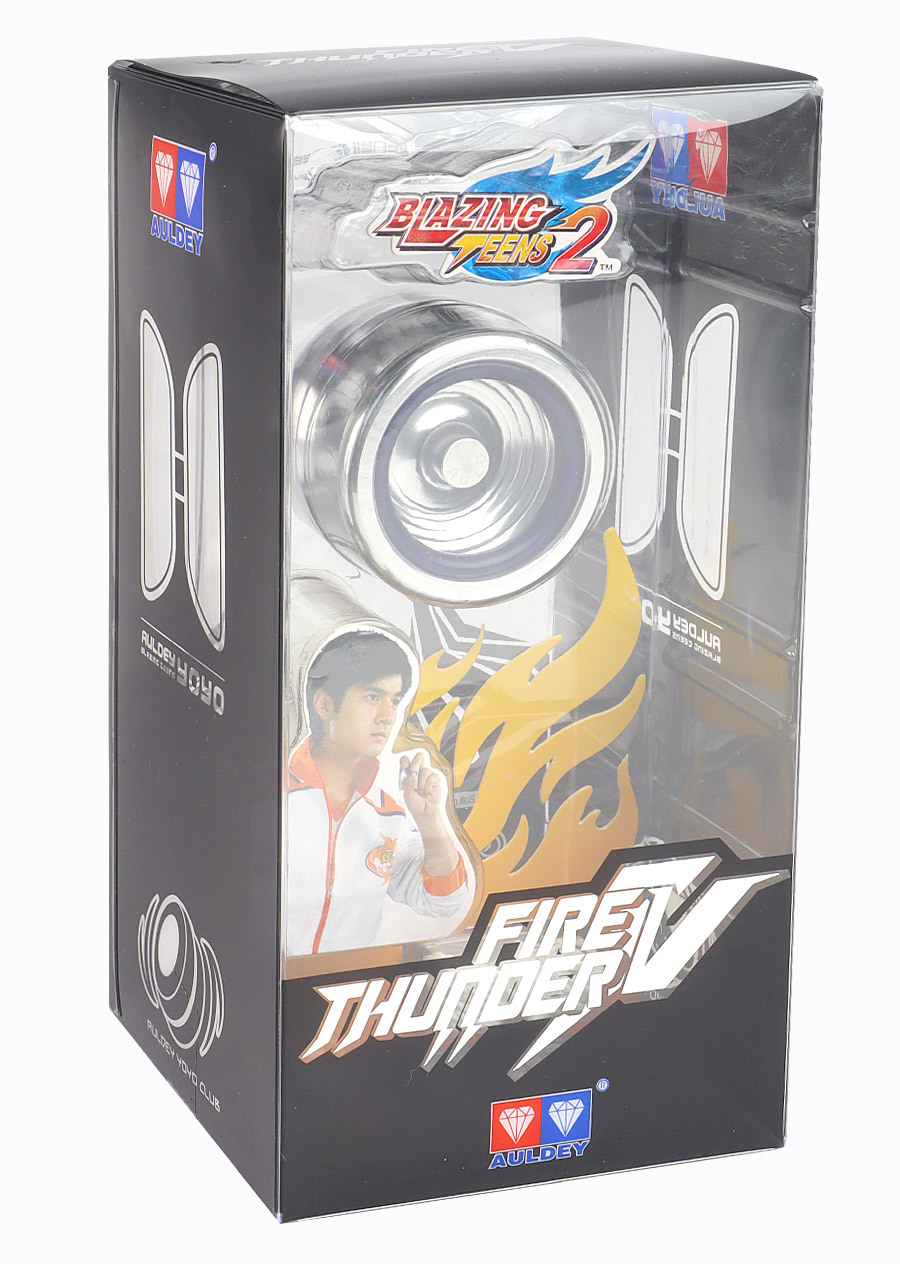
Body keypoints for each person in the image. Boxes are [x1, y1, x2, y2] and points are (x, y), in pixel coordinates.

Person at [285, 631, 468, 956]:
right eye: (372, 697)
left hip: (347, 983)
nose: (388, 716)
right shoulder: (273, 796)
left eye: (394, 701)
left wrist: (430, 821)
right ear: (324, 704)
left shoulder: (388, 814)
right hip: (262, 979)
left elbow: (445, 901)